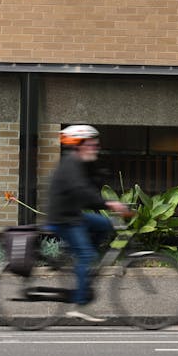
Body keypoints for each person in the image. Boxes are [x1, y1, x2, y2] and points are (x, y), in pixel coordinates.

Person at [47, 124, 130, 322]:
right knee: (87, 255)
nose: (95, 147)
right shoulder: (71, 163)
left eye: (96, 143)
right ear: (80, 145)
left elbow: (91, 184)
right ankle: (80, 303)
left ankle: (81, 263)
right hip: (64, 219)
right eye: (91, 144)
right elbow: (81, 191)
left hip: (73, 215)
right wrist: (109, 203)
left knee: (105, 224)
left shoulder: (81, 162)